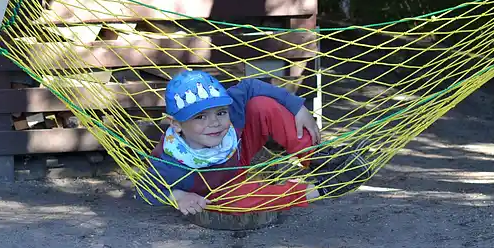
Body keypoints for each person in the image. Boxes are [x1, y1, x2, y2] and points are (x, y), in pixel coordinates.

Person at [137, 70, 370, 215]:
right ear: (176, 124)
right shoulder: (171, 161)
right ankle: (321, 189)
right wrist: (178, 196)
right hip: (221, 190)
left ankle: (321, 159)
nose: (214, 122)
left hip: (238, 153)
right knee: (236, 201)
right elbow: (146, 188)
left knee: (261, 105)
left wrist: (296, 107)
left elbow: (251, 86)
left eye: (220, 112)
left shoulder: (232, 114)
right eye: (200, 117)